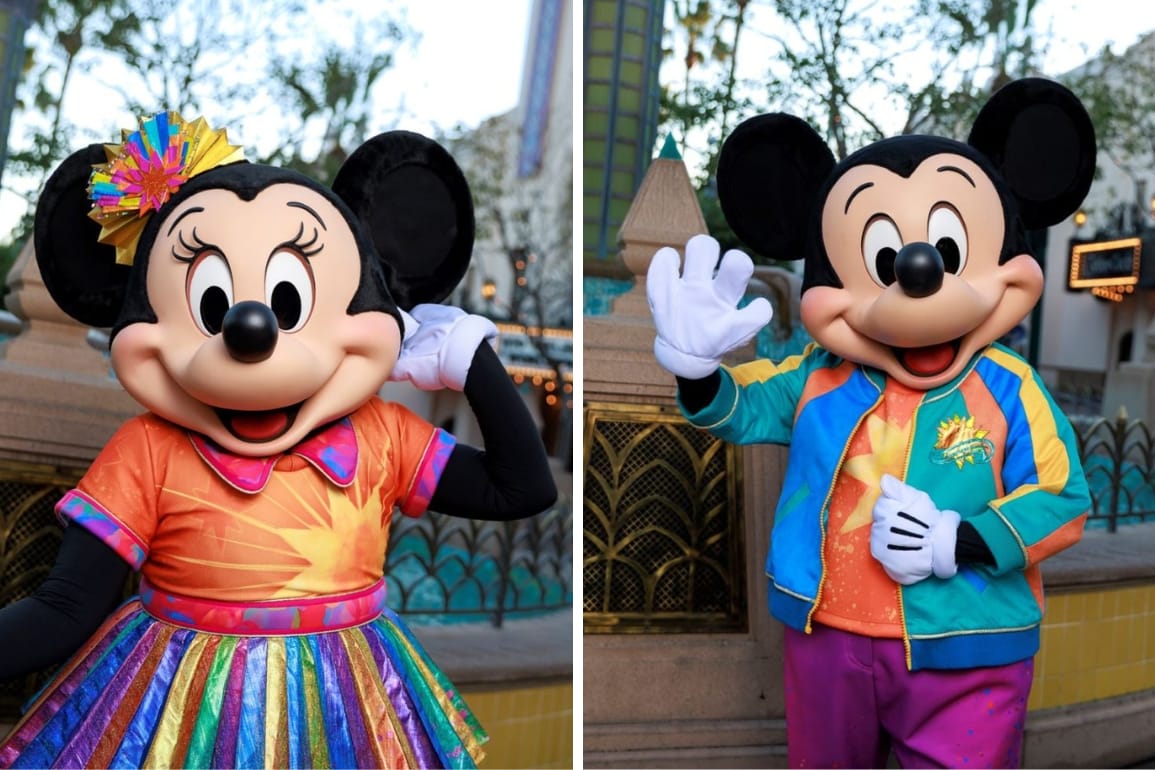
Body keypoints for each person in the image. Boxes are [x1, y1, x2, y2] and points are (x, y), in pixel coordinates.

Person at [0, 111, 556, 769]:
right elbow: (67, 607)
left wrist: (472, 360)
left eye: (286, 300)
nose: (251, 328)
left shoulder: (381, 435)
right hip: (178, 707)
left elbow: (520, 487)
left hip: (344, 705)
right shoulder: (148, 449)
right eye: (212, 303)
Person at [647, 78, 1094, 768]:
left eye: (944, 250)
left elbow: (1063, 500)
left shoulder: (1010, 388)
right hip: (828, 638)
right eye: (884, 260)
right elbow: (740, 408)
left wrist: (960, 539)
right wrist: (695, 368)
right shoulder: (817, 374)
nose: (916, 274)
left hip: (968, 649)